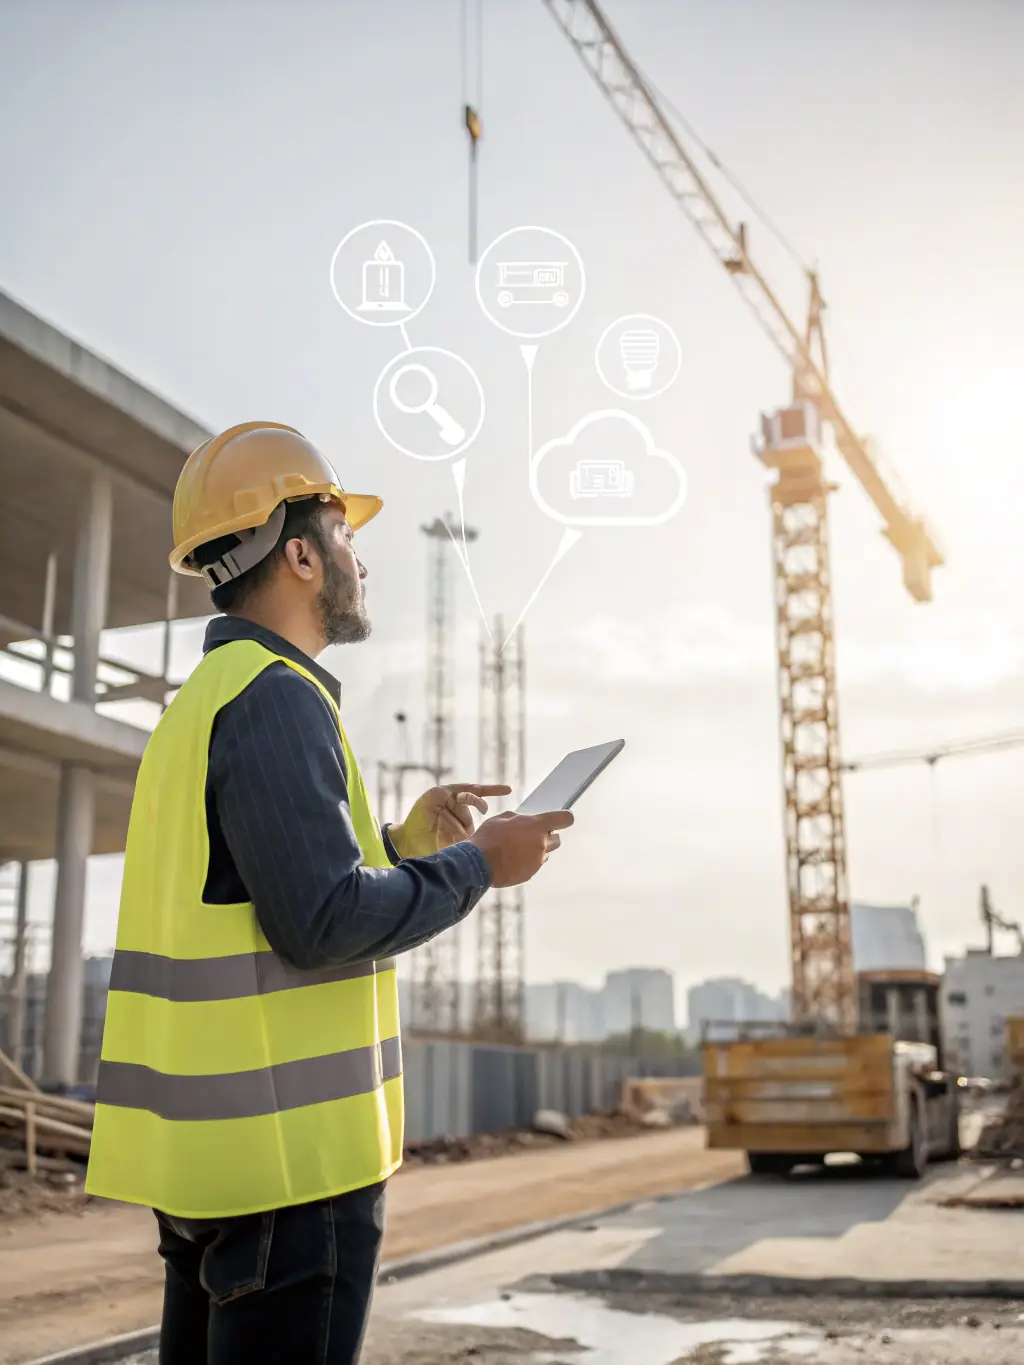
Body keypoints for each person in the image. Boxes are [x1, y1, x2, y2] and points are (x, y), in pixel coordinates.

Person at [86, 421, 573, 1365]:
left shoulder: (207, 699)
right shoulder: (277, 696)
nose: (361, 559)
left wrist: (401, 844)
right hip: (288, 1174)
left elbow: (256, 895)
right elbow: (323, 923)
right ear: (302, 554)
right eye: (347, 535)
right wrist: (483, 865)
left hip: (214, 1170)